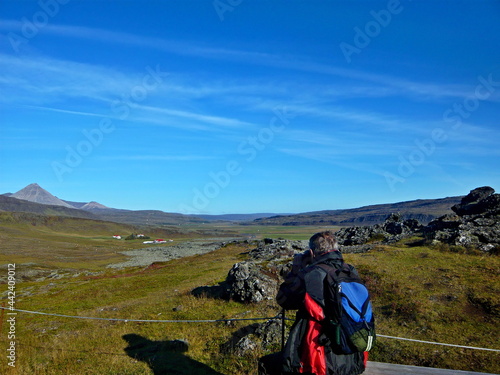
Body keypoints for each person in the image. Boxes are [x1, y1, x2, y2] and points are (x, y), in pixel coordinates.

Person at [258, 231, 367, 375]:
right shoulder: (350, 271)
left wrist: (296, 270)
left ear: (311, 252)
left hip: (317, 358)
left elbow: (283, 300)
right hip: (353, 355)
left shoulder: (310, 274)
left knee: (266, 364)